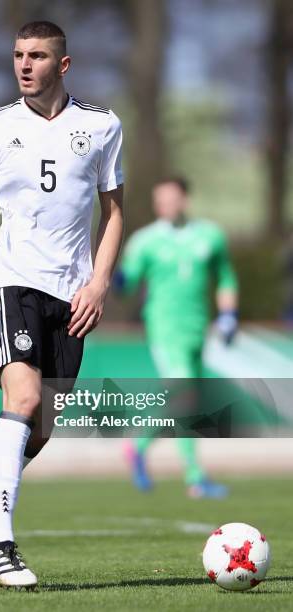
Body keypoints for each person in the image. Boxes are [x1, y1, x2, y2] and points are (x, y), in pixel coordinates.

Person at [0, 21, 124, 592]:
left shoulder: (102, 125)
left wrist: (100, 283)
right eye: (17, 55)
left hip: (73, 291)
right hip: (11, 282)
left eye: (37, 56)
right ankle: (0, 547)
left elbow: (115, 215)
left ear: (63, 65)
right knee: (25, 397)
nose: (24, 64)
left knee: (39, 430)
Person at [115, 176, 238, 498]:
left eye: (171, 199)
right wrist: (114, 276)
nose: (165, 205)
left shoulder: (209, 236)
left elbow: (225, 277)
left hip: (198, 329)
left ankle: (139, 447)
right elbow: (126, 286)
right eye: (160, 200)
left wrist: (228, 316)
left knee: (186, 402)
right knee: (182, 394)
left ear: (184, 200)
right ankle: (194, 476)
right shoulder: (145, 242)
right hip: (165, 329)